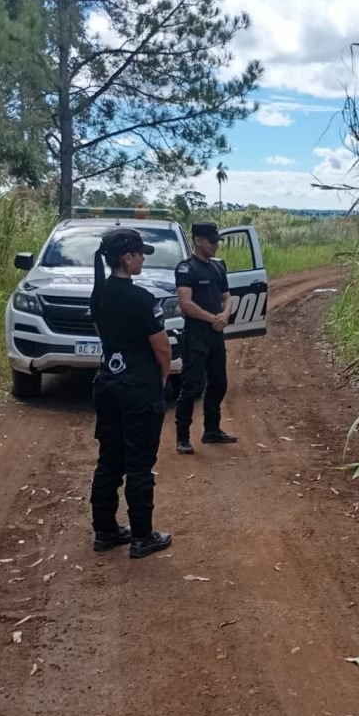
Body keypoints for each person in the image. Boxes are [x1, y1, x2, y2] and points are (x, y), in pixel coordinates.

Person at [89, 226, 173, 559]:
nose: (142, 260)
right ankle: (142, 536)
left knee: (109, 459)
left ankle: (105, 531)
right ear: (127, 258)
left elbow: (105, 336)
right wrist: (160, 379)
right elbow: (162, 349)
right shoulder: (142, 300)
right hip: (138, 387)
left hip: (108, 382)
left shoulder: (99, 295)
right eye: (139, 255)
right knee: (139, 463)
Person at [173, 221, 237, 455]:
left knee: (219, 383)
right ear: (198, 240)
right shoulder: (186, 269)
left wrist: (225, 314)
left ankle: (212, 430)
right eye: (211, 241)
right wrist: (213, 318)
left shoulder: (218, 267)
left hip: (215, 335)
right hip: (196, 335)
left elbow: (227, 297)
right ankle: (182, 437)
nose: (215, 245)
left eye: (217, 241)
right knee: (192, 386)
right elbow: (186, 303)